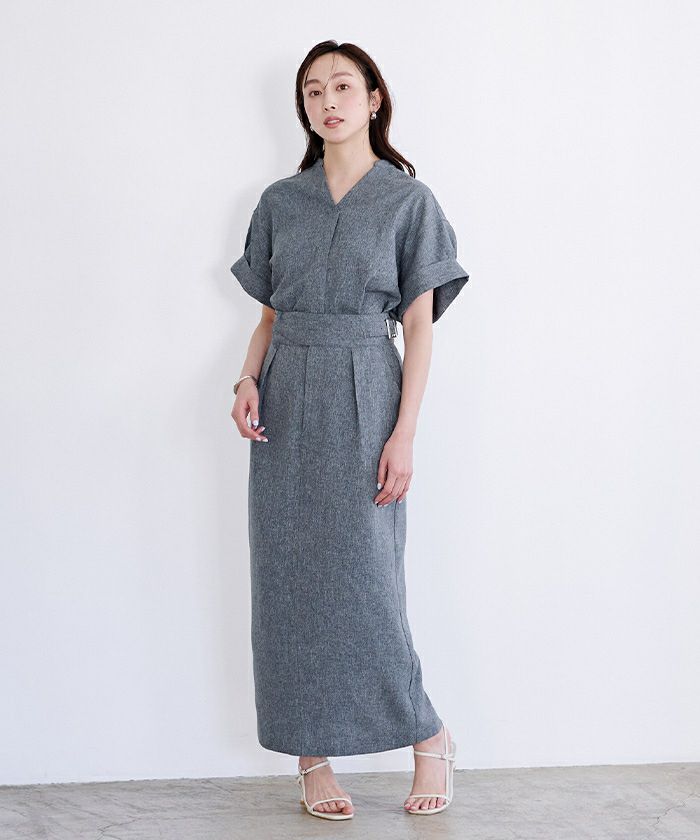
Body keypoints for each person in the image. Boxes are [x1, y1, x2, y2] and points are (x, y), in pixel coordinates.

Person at [230, 40, 469, 820]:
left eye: (341, 87)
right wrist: (245, 378)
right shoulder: (280, 201)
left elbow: (420, 328)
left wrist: (404, 434)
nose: (326, 101)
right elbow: (269, 315)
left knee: (369, 578)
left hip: (368, 387)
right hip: (285, 393)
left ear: (373, 99)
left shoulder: (408, 202)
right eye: (312, 90)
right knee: (288, 576)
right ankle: (312, 757)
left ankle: (428, 734)